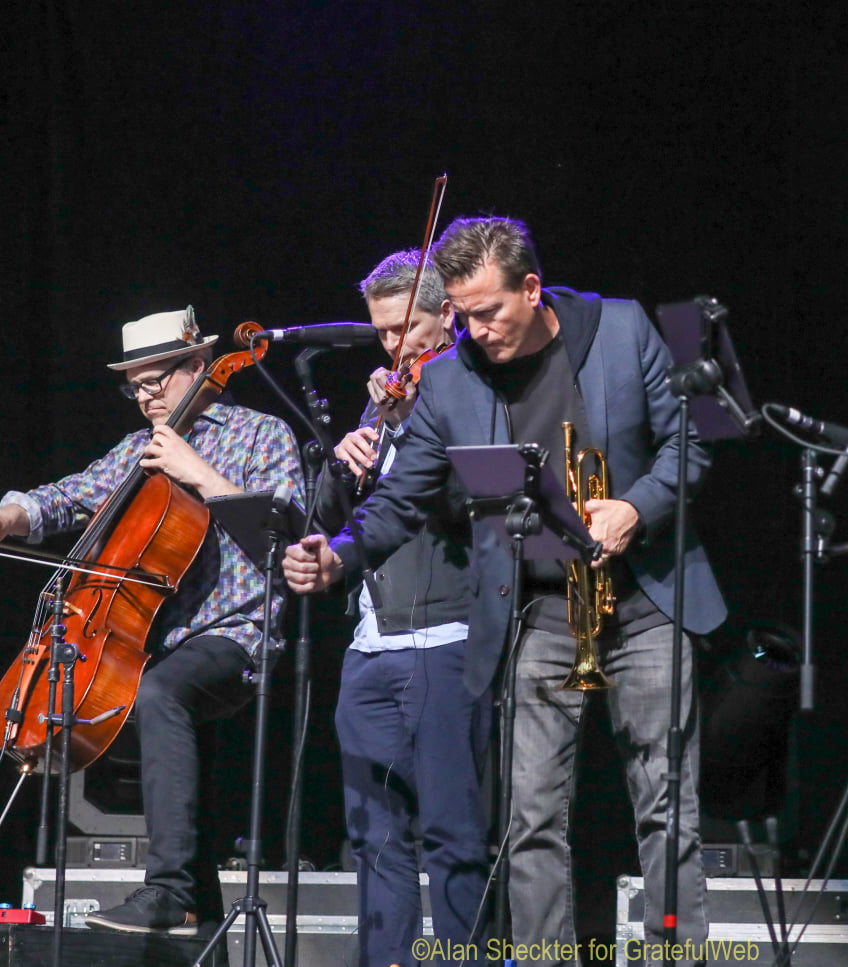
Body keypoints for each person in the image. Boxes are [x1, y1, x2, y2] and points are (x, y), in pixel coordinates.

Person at [284, 217, 727, 966]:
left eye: (488, 310)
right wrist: (342, 556)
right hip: (541, 605)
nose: (474, 329)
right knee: (529, 816)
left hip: (645, 595)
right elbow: (402, 498)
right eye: (461, 312)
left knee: (664, 800)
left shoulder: (620, 329)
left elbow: (694, 441)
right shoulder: (452, 377)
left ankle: (675, 956)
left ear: (531, 287)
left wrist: (637, 505)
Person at [0, 307, 302, 937]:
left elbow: (285, 539)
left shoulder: (261, 434)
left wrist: (196, 471)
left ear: (198, 366)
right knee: (148, 692)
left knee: (158, 693)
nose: (144, 398)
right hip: (158, 640)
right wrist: (8, 515)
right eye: (134, 386)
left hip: (235, 632)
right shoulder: (137, 450)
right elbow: (70, 496)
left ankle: (167, 888)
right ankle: (197, 908)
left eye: (156, 381)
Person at [327, 250, 488, 967]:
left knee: (454, 832)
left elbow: (470, 506)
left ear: (447, 315)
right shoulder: (383, 400)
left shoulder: (471, 388)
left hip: (447, 634)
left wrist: (413, 421)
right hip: (370, 644)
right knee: (374, 837)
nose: (393, 345)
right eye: (382, 332)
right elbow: (338, 520)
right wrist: (344, 461)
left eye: (406, 327)